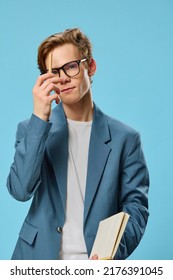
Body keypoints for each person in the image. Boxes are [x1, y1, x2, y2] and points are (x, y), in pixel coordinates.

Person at [7, 28, 149, 260]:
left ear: (90, 67)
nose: (62, 78)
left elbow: (136, 208)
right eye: (53, 72)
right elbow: (20, 191)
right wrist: (39, 119)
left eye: (71, 66)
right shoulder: (31, 129)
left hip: (95, 264)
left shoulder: (126, 138)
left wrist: (111, 253)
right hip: (35, 259)